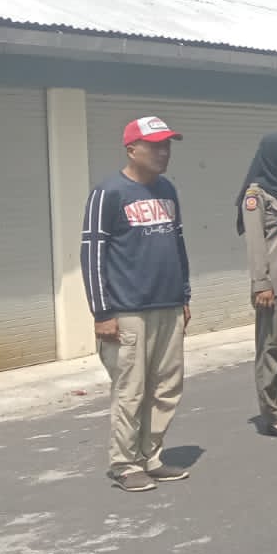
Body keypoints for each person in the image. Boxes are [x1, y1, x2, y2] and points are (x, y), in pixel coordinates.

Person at [81, 115, 193, 492]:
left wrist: (184, 295)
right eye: (155, 145)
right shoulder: (108, 193)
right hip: (127, 310)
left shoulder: (168, 190)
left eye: (167, 145)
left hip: (168, 306)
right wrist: (102, 312)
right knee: (131, 389)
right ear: (132, 149)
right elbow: (92, 254)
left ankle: (151, 456)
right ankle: (124, 463)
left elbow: (177, 245)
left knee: (166, 387)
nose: (164, 152)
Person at [238, 132, 277, 438]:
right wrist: (261, 283)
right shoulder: (257, 195)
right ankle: (273, 413)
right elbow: (255, 243)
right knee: (272, 350)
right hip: (273, 287)